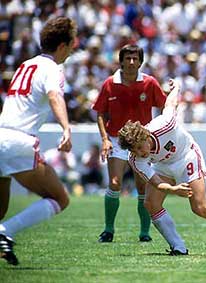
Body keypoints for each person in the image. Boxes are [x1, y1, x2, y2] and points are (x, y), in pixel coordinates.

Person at [117, 79, 206, 255]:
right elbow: (156, 182)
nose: (140, 153)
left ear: (145, 135)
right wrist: (174, 189)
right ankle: (178, 247)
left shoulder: (164, 125)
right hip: (163, 165)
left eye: (140, 146)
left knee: (200, 208)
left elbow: (170, 105)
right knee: (151, 203)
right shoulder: (135, 159)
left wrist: (175, 88)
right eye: (134, 150)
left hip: (187, 156)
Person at [0, 16, 77, 265]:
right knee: (60, 198)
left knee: (0, 210)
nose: (73, 48)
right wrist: (66, 128)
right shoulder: (52, 68)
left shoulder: (25, 65)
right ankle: (4, 233)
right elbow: (54, 96)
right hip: (19, 141)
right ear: (63, 45)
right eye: (72, 43)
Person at [92, 44, 167, 243]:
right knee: (115, 183)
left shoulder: (150, 83)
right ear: (121, 61)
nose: (132, 62)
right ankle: (108, 230)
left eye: (135, 58)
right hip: (117, 139)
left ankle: (144, 233)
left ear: (141, 62)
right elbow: (100, 112)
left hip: (141, 143)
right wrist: (105, 139)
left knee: (142, 187)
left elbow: (165, 106)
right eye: (128, 58)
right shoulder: (109, 84)